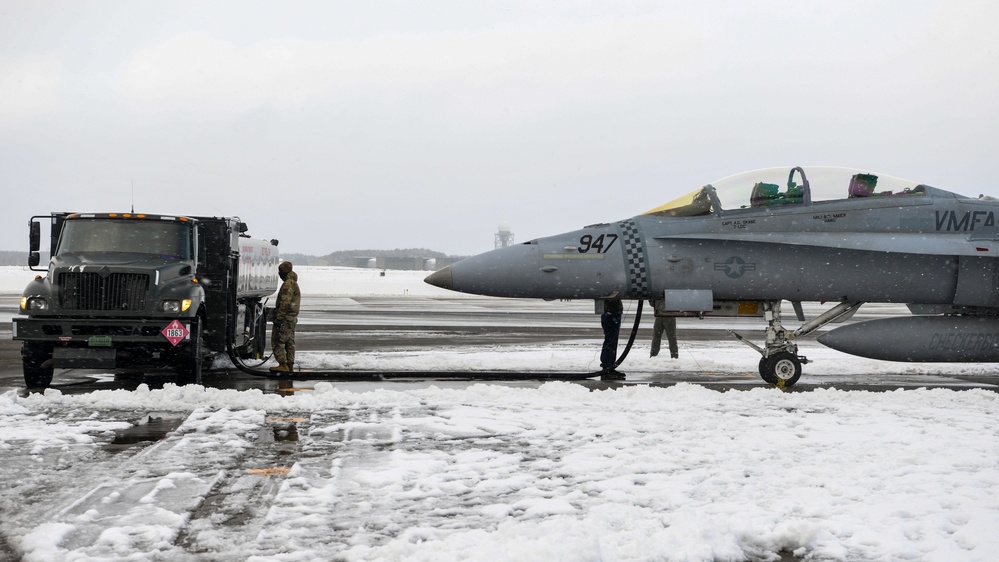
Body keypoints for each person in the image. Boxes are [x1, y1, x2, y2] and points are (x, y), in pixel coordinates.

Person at [270, 261, 301, 373]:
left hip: (285, 319)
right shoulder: (293, 283)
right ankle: (289, 365)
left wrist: (279, 318)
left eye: (280, 271)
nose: (279, 274)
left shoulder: (288, 284)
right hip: (291, 319)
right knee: (289, 342)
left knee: (278, 340)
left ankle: (283, 364)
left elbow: (285, 303)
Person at [599, 299, 626, 380]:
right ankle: (606, 368)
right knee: (610, 342)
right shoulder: (609, 290)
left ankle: (610, 367)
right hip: (611, 313)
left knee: (612, 342)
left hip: (613, 312)